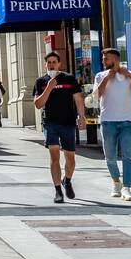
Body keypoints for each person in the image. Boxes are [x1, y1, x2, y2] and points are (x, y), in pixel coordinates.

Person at [33, 50, 87, 204]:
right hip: (50, 123)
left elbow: (78, 98)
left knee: (70, 158)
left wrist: (81, 117)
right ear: (45, 64)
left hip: (68, 122)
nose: (51, 65)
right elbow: (38, 104)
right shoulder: (41, 81)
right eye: (48, 62)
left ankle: (67, 180)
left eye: (54, 62)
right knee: (54, 156)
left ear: (59, 64)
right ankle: (57, 190)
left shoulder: (69, 78)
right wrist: (49, 87)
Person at [94, 48, 131, 201]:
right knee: (110, 157)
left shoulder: (130, 75)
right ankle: (116, 182)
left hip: (127, 121)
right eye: (103, 58)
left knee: (128, 157)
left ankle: (126, 188)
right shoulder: (100, 76)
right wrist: (107, 77)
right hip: (108, 121)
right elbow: (96, 96)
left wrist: (130, 76)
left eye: (106, 58)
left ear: (115, 59)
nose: (103, 61)